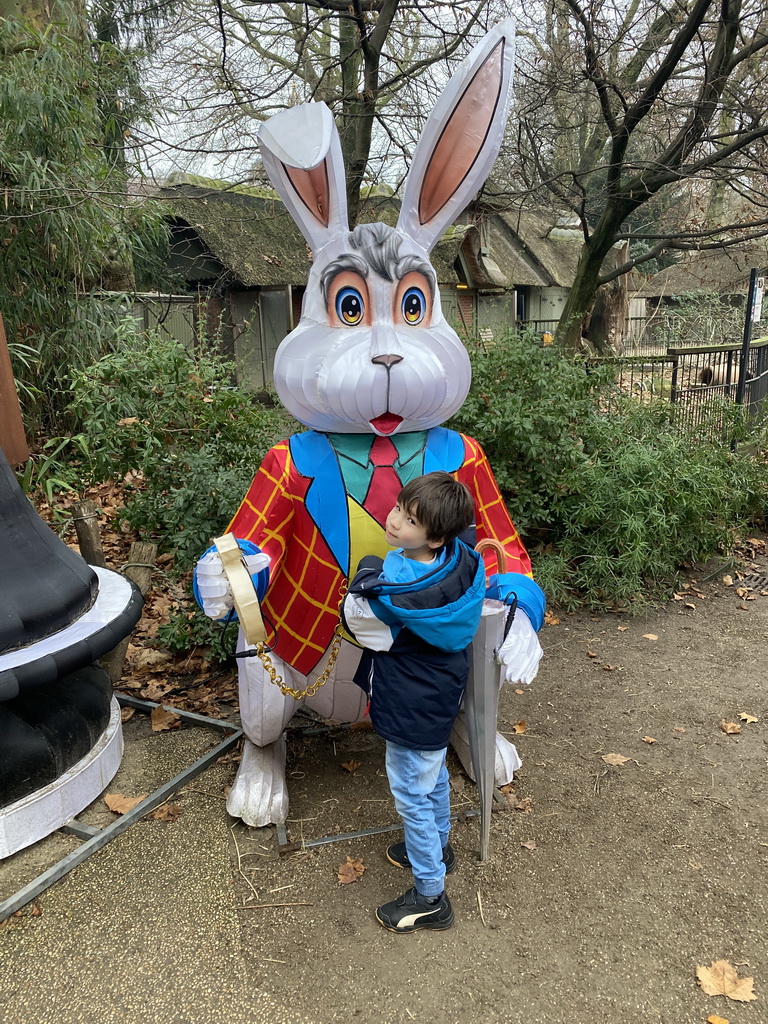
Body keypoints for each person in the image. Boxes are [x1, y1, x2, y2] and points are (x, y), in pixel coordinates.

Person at [341, 471, 486, 932]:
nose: (395, 520)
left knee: (411, 794)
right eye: (400, 508)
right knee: (433, 769)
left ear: (436, 535)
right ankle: (439, 847)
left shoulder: (399, 586)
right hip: (440, 690)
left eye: (409, 519)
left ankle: (430, 894)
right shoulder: (459, 560)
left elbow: (364, 617)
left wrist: (365, 575)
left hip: (409, 696)